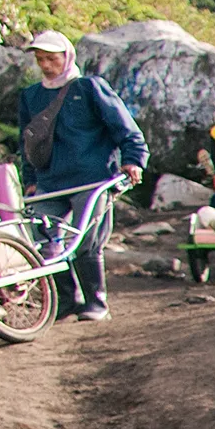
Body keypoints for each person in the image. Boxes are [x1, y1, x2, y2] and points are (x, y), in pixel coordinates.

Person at [15, 29, 146, 323]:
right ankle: (66, 299)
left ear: (67, 57)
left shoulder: (89, 88)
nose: (46, 65)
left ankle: (96, 301)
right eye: (41, 60)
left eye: (51, 59)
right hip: (50, 181)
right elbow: (28, 143)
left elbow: (124, 127)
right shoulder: (31, 96)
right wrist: (30, 180)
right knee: (46, 239)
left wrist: (133, 160)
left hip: (92, 177)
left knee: (88, 240)